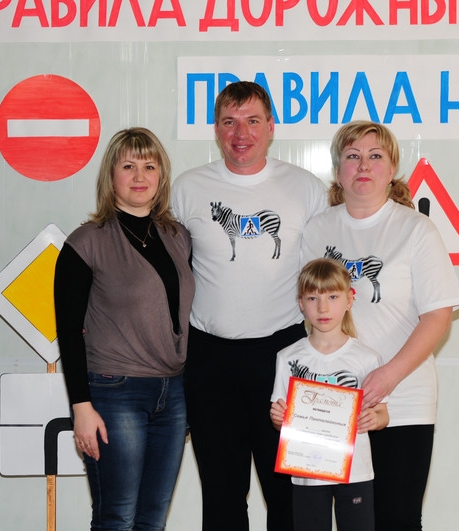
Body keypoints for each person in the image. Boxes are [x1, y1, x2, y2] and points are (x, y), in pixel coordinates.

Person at [171, 81, 328, 531]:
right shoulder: (188, 188)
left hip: (284, 356)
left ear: (271, 127)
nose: (241, 134)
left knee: (289, 494)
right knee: (221, 496)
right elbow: (166, 271)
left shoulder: (306, 188)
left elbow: (327, 277)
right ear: (216, 129)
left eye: (253, 121)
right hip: (209, 360)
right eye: (230, 122)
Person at [301, 120, 459, 531]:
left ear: (392, 169)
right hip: (334, 402)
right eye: (352, 156)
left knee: (397, 518)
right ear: (338, 171)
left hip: (403, 401)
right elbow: (307, 313)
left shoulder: (416, 229)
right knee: (338, 521)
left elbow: (438, 315)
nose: (363, 165)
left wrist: (387, 377)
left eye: (375, 156)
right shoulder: (318, 230)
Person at [54, 127, 195, 531]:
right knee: (117, 517)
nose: (139, 176)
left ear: (161, 176)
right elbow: (68, 330)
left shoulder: (178, 237)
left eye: (149, 166)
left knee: (152, 519)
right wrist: (81, 407)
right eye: (128, 166)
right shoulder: (86, 242)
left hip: (173, 395)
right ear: (110, 176)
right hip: (115, 393)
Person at [270, 258, 389, 531]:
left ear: (349, 300)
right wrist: (278, 418)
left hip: (355, 472)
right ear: (301, 303)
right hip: (307, 473)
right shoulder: (287, 357)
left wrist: (374, 419)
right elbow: (281, 421)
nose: (323, 308)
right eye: (313, 298)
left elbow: (383, 413)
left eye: (332, 297)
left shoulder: (367, 358)